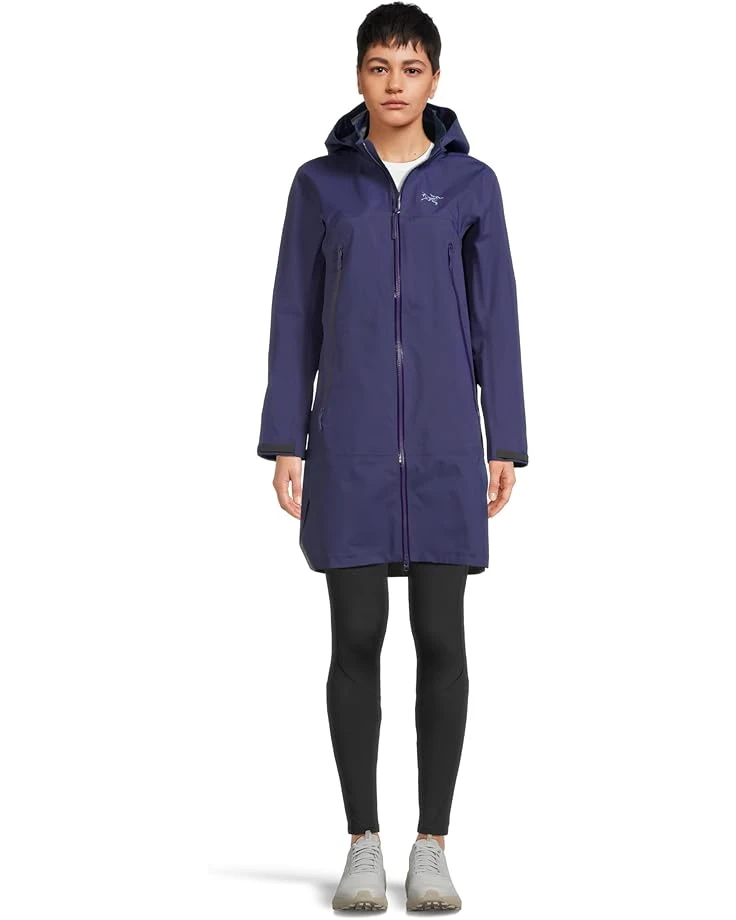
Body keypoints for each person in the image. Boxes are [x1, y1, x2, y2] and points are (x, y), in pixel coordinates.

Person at [256, 2, 528, 911]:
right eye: (379, 67)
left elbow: (496, 317)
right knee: (357, 639)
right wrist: (285, 439)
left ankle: (433, 845)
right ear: (359, 77)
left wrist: (505, 437)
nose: (395, 83)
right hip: (351, 446)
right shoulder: (320, 186)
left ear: (435, 78)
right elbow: (294, 313)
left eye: (411, 68)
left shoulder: (473, 185)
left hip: (448, 448)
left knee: (443, 638)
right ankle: (363, 844)